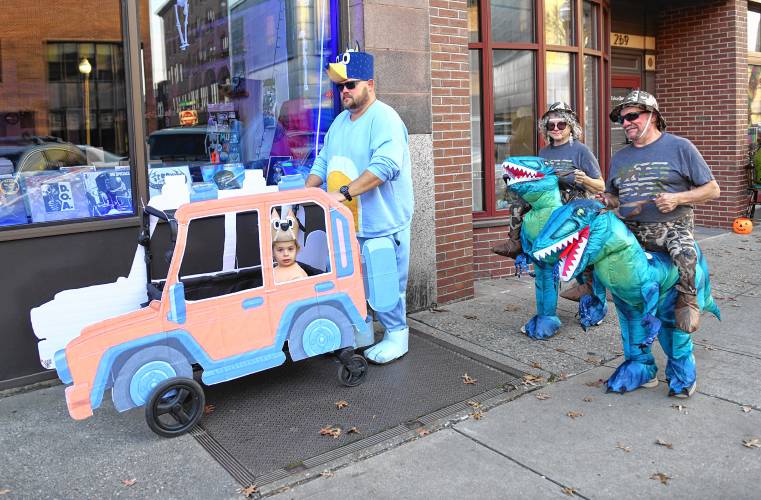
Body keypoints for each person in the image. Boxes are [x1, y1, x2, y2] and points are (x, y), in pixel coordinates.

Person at [305, 46, 414, 364]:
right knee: (353, 282)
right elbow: (323, 160)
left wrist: (343, 193)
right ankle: (362, 332)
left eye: (350, 84)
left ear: (370, 84)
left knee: (385, 280)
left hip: (382, 222)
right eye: (340, 86)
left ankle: (397, 335)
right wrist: (305, 192)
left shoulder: (386, 118)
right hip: (348, 224)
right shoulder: (340, 123)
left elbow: (385, 166)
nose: (344, 91)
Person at [599, 90, 721, 334]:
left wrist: (678, 198)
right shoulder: (620, 157)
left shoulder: (680, 147)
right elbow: (614, 196)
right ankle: (593, 291)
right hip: (631, 233)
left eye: (632, 116)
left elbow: (713, 190)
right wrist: (604, 199)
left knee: (685, 254)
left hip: (671, 230)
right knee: (592, 244)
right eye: (621, 119)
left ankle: (688, 298)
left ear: (652, 115)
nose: (625, 123)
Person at [538, 102, 605, 302]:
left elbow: (600, 186)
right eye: (551, 125)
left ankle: (595, 305)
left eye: (562, 125)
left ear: (571, 127)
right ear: (546, 128)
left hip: (577, 212)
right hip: (552, 211)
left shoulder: (581, 150)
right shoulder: (544, 152)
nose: (556, 129)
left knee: (583, 261)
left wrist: (584, 179)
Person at [271, 207, 308, 283]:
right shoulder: (272, 271)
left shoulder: (298, 275)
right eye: (280, 250)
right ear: (272, 252)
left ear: (297, 249)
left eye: (290, 249)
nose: (286, 254)